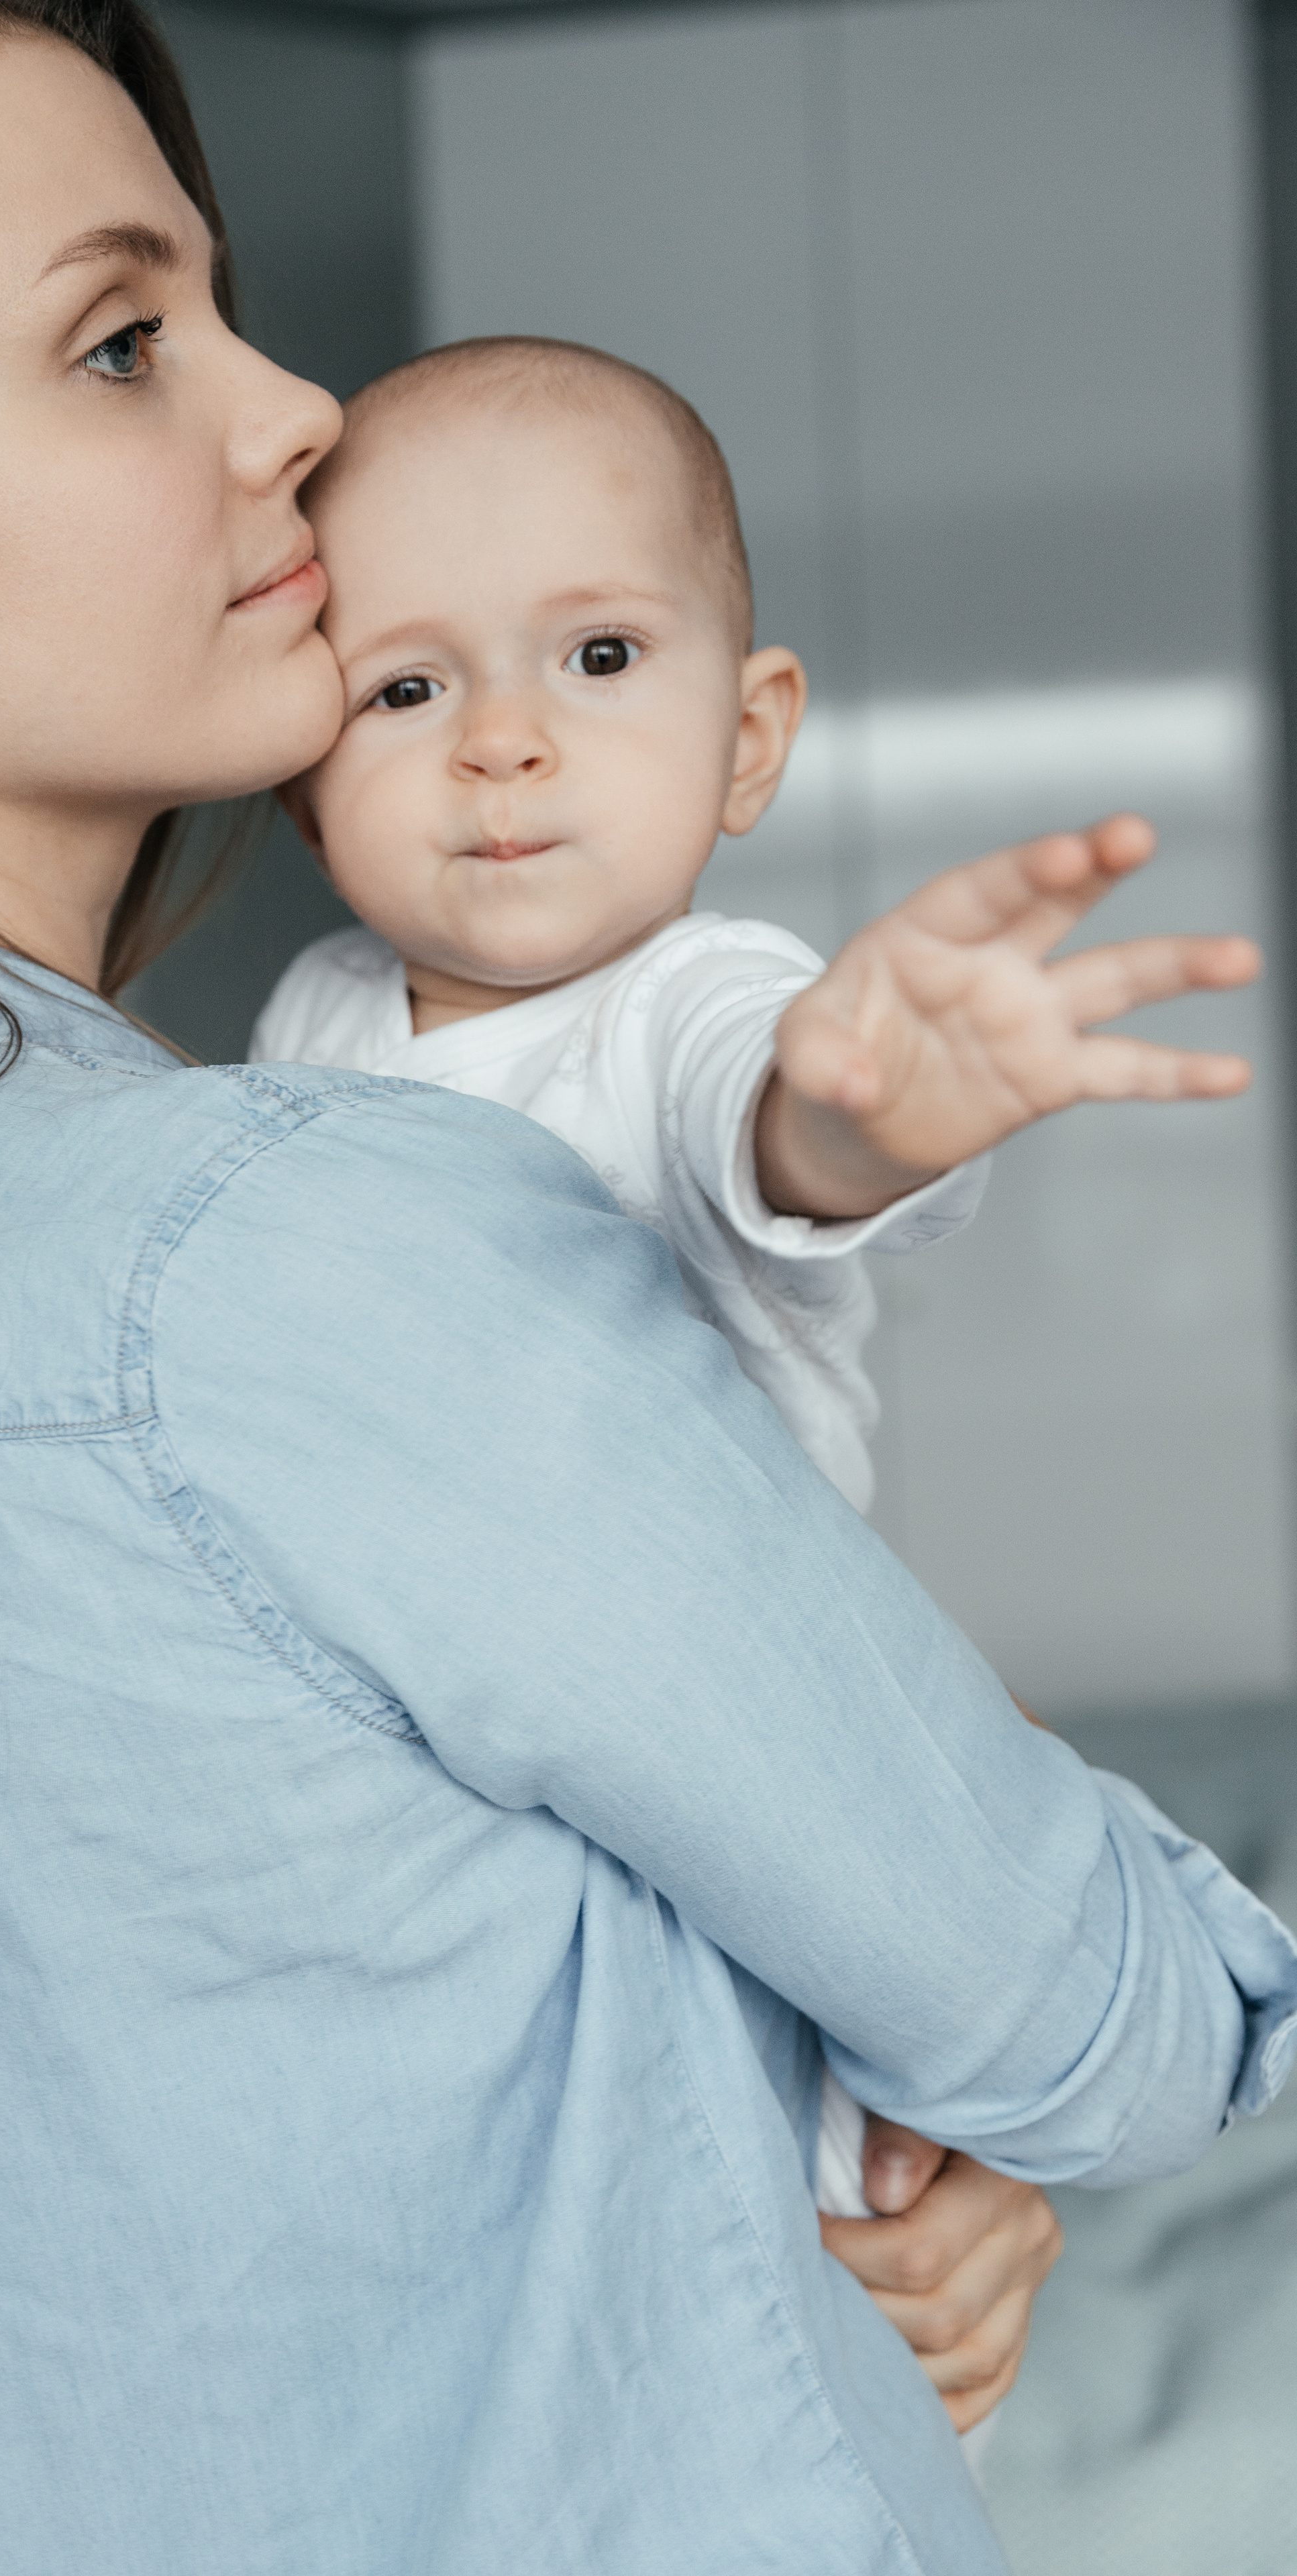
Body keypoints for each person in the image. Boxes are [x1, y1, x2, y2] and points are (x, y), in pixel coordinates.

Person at [0, 7, 1290, 2573]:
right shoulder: (286, 1238)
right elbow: (1117, 2028)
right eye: (125, 340)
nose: (295, 411)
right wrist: (968, 1926)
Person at [250, 335, 1259, 2254]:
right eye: (406, 684)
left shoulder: (696, 998)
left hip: (729, 1779)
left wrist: (869, 1108)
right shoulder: (315, 1027)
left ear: (753, 733)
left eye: (600, 657)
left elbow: (768, 1133)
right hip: (454, 1772)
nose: (505, 740)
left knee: (781, 2212)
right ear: (306, 787)